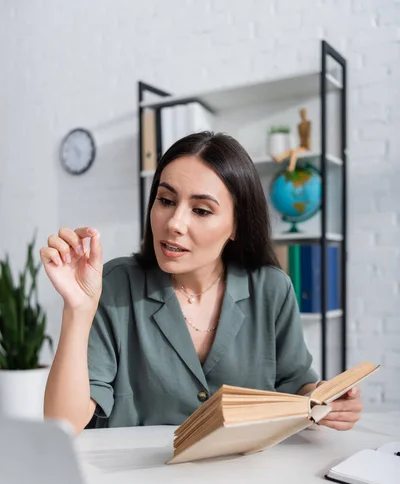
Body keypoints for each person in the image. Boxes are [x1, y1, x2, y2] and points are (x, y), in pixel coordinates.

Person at [41, 131, 362, 434]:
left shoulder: (272, 289)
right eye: (166, 201)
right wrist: (77, 309)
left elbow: (296, 385)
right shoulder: (113, 285)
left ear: (237, 224)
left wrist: (324, 400)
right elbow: (64, 424)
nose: (175, 223)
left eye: (201, 210)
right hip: (139, 483)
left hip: (244, 479)